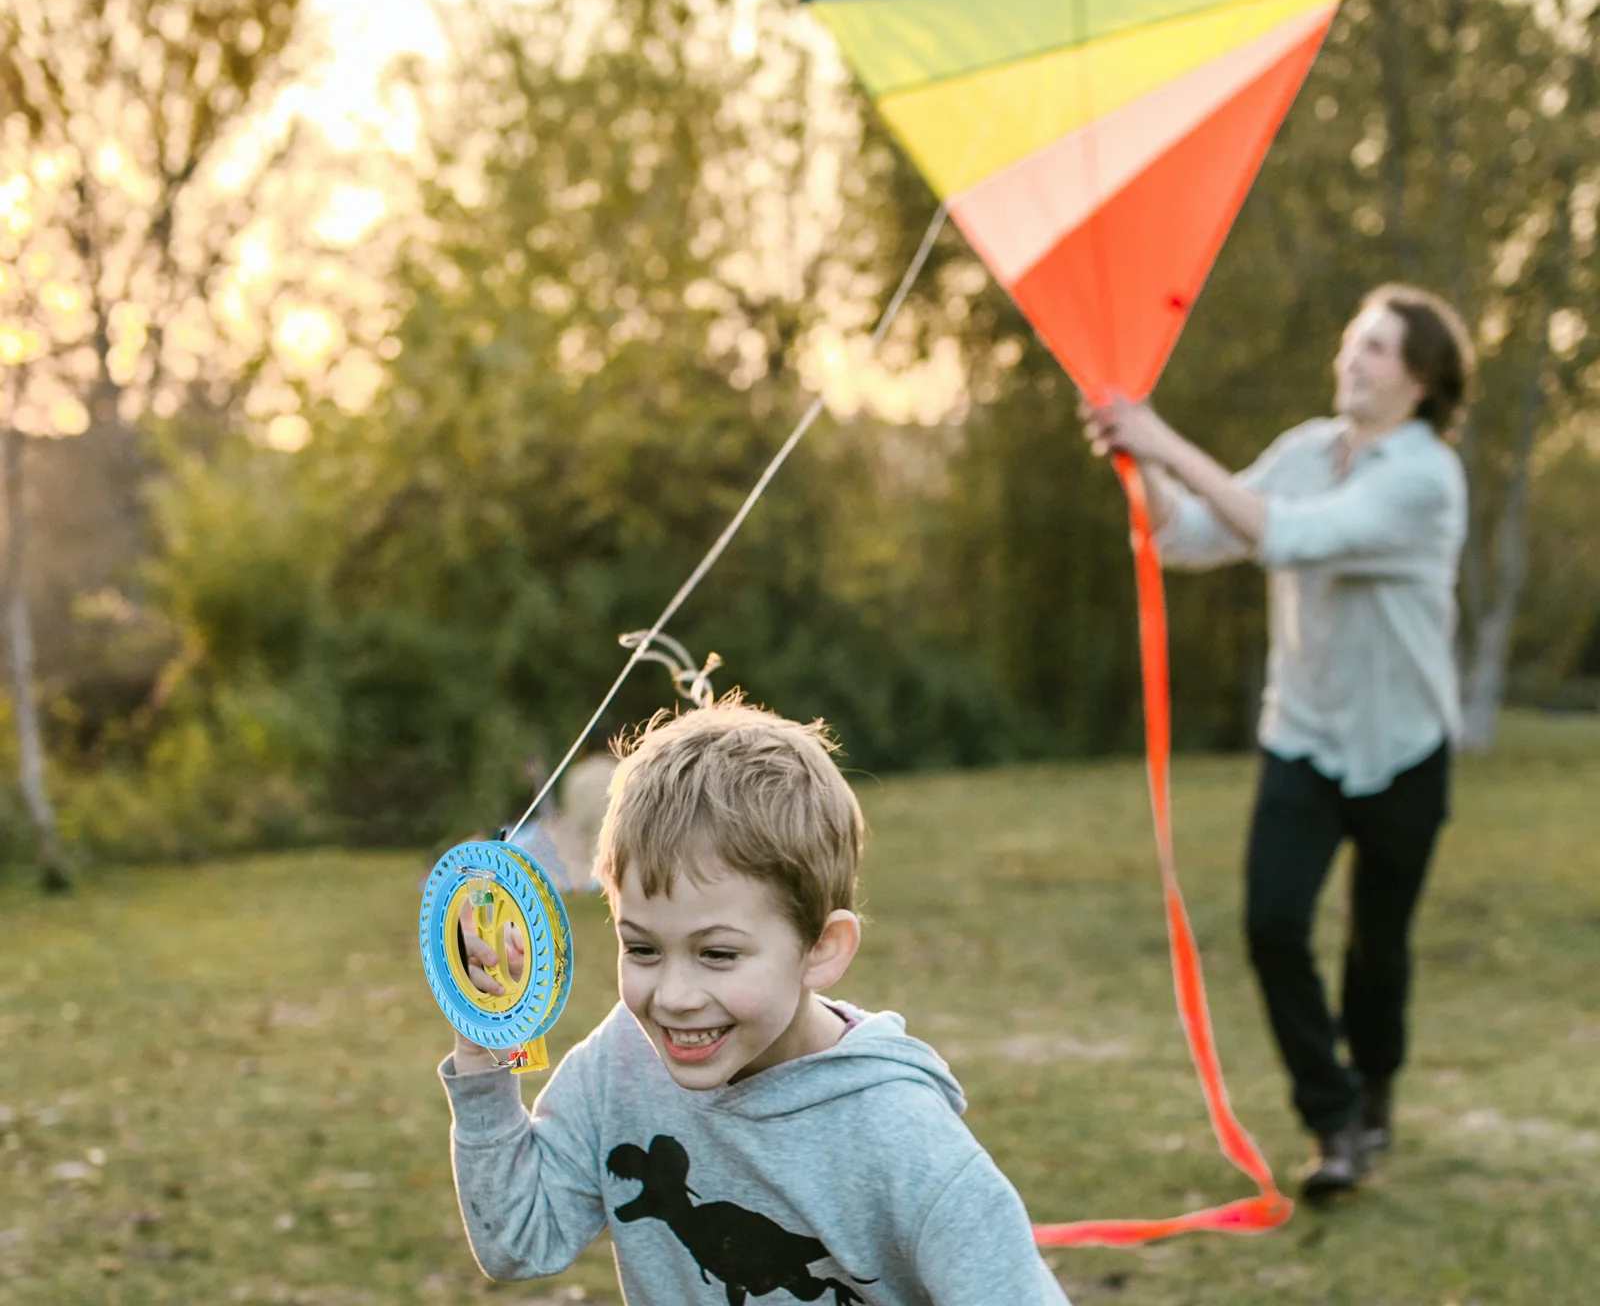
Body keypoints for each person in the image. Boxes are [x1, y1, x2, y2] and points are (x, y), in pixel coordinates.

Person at [440, 698, 1069, 1304]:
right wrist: (486, 1051)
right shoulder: (621, 1063)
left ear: (822, 948)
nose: (675, 997)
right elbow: (517, 1241)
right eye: (643, 949)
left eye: (717, 954)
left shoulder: (905, 1142)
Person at [1081, 284, 1473, 1202]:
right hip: (1303, 735)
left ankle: (1373, 1093)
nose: (1352, 357)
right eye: (1353, 339)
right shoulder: (1306, 450)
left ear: (1419, 379)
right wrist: (1138, 464)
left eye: (1376, 347)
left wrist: (1162, 436)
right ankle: (1334, 1121)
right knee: (1271, 923)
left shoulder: (1424, 477)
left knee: (1378, 946)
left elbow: (1290, 539)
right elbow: (1190, 538)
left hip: (1406, 747)